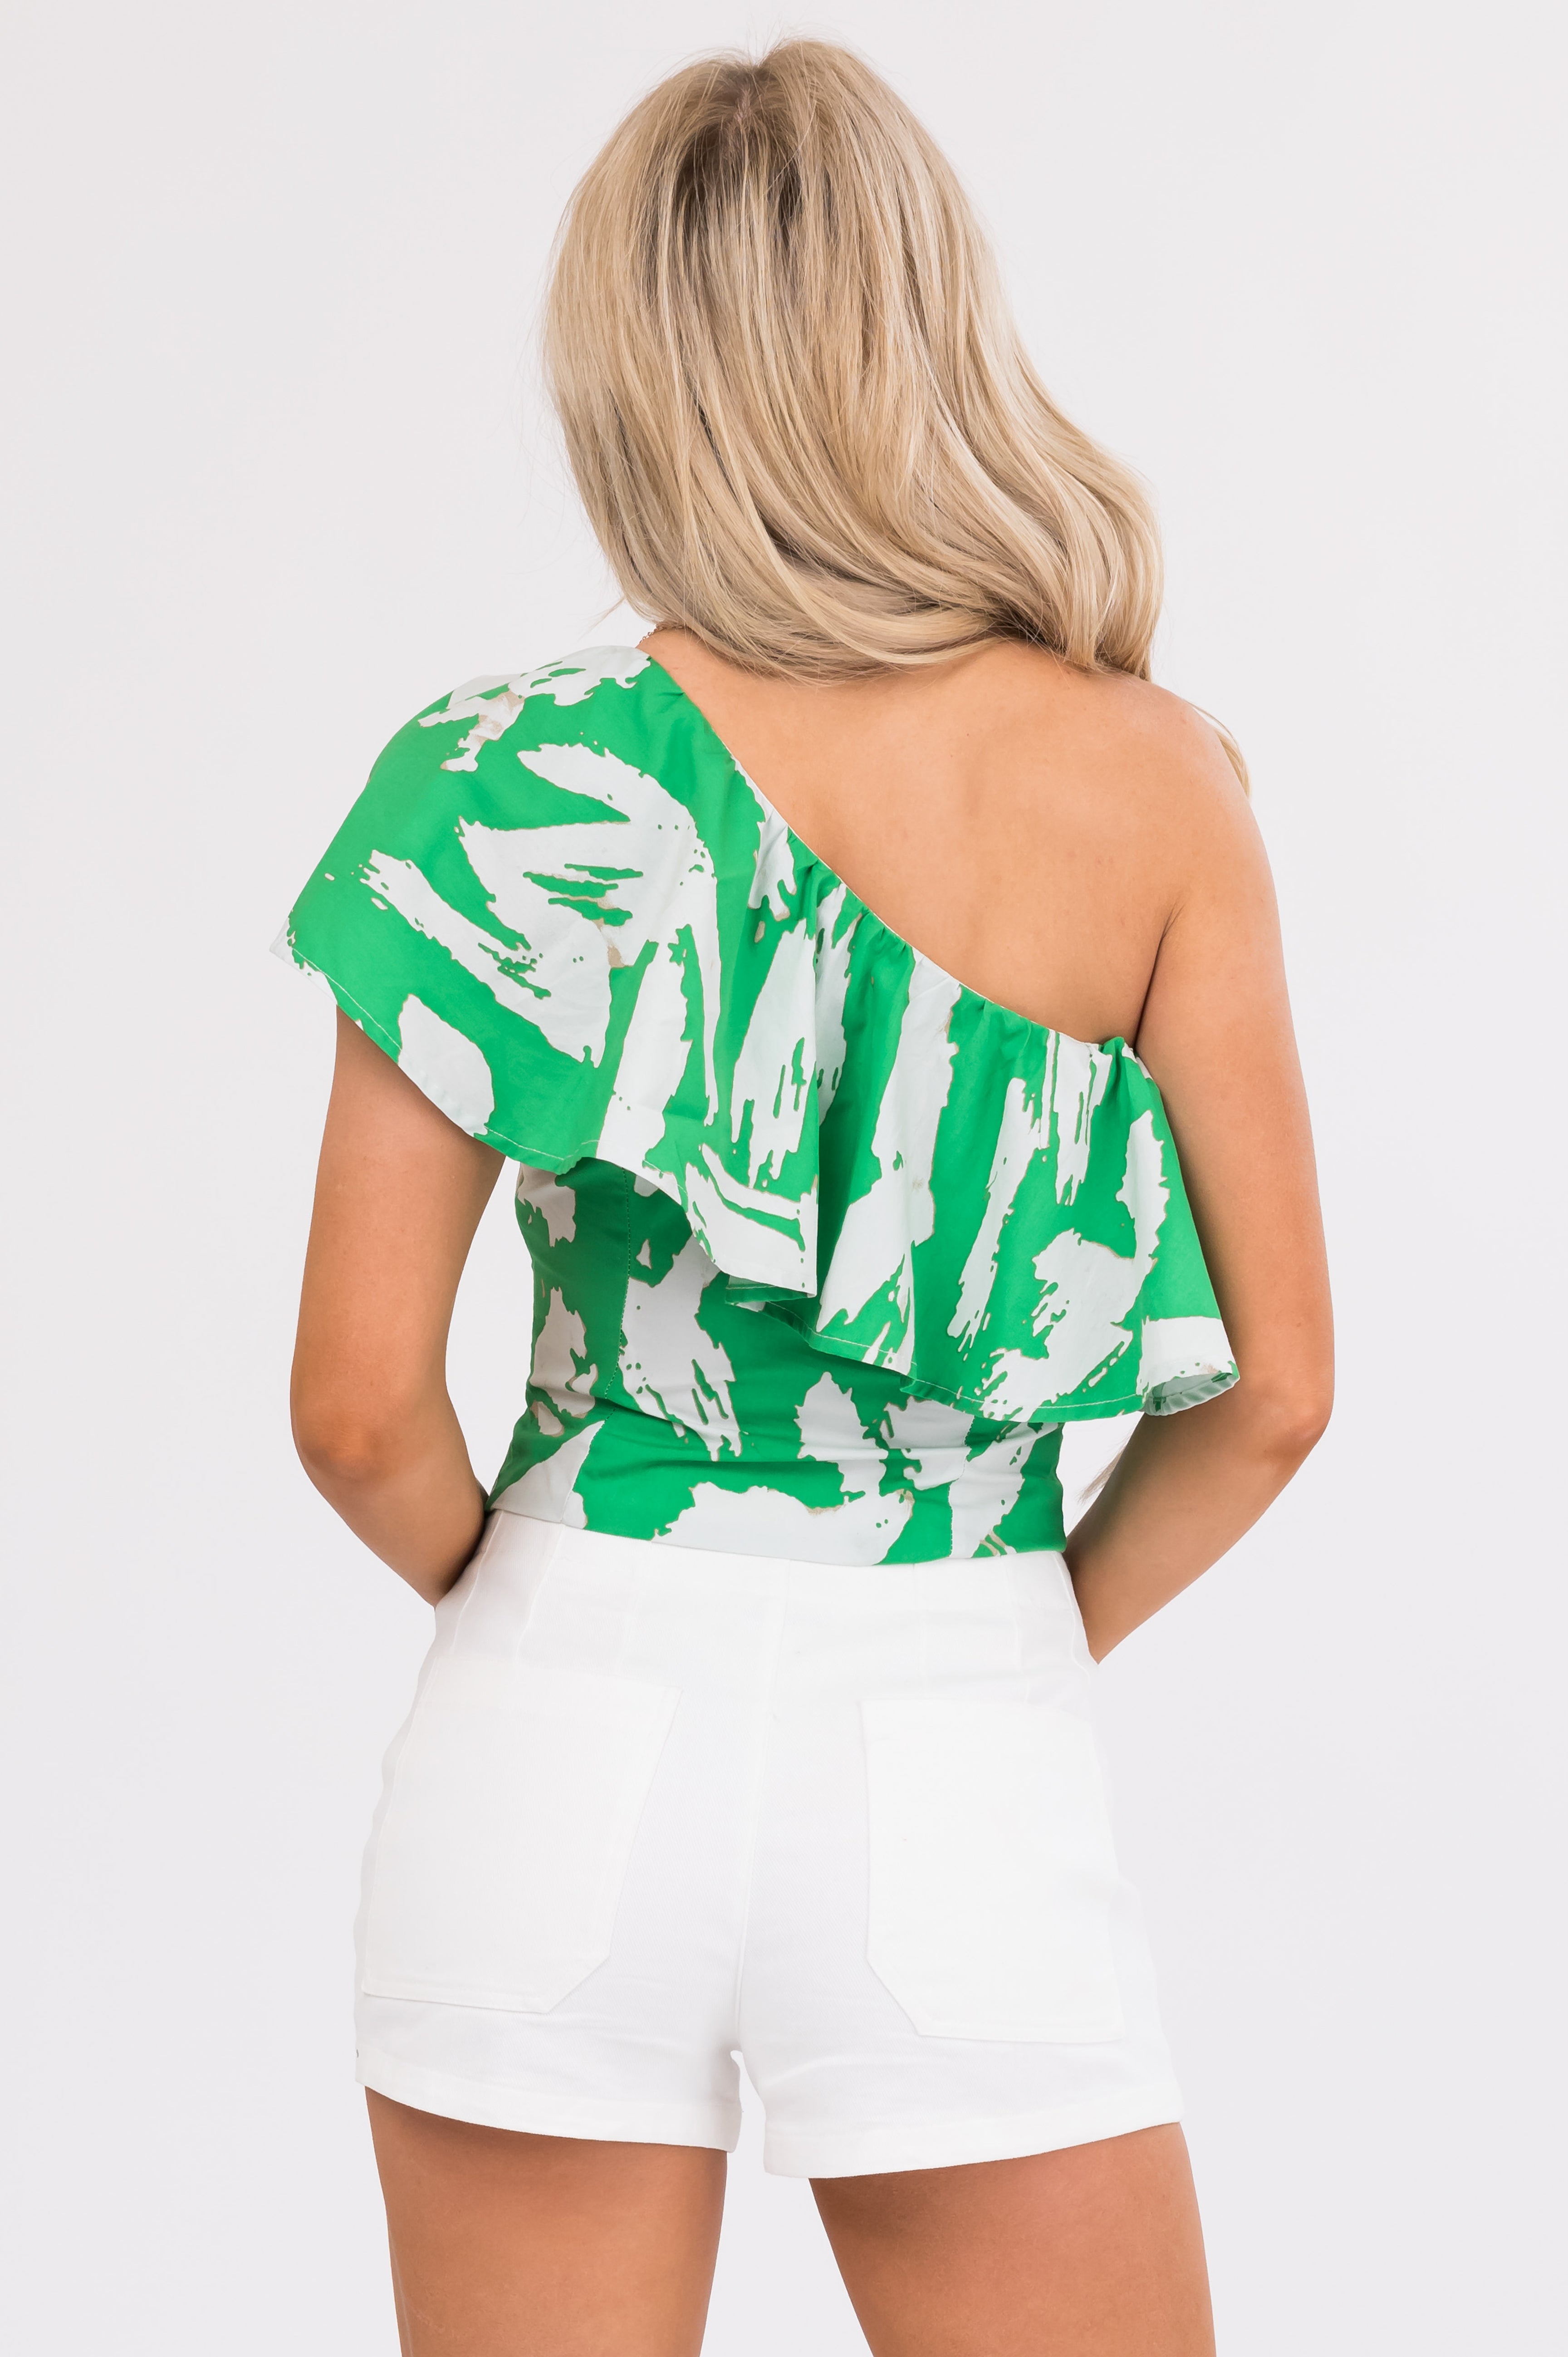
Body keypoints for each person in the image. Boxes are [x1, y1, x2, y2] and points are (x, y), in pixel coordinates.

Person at [280, 39, 1332, 2357]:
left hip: (555, 1724)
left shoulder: (498, 774)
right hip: (948, 1718)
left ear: (625, 376)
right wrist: (1000, 1630)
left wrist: (548, 1597)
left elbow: (355, 1410)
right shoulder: (1153, 786)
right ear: (929, 328)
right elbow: (1273, 1396)